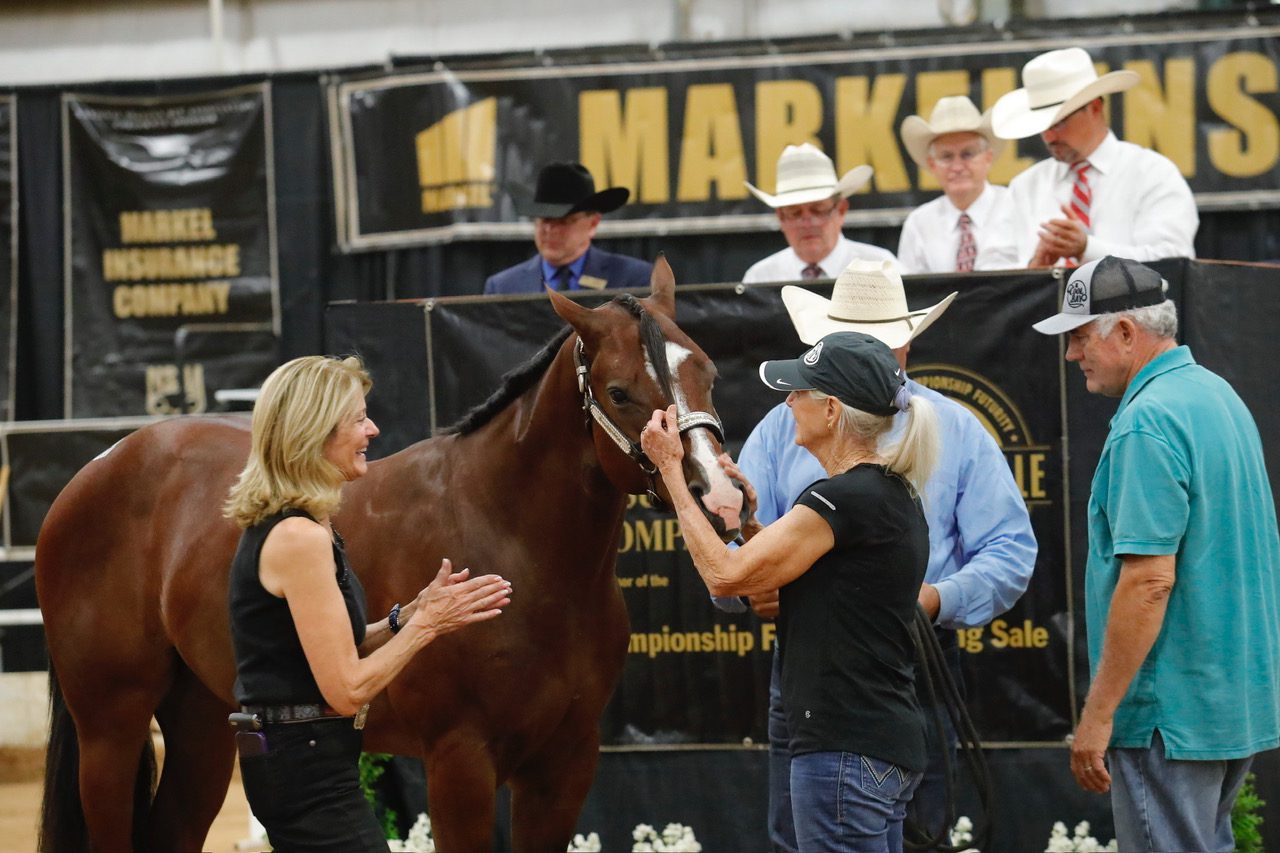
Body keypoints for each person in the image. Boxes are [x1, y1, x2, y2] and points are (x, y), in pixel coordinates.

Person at [719, 258, 1037, 852]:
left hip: (900, 652)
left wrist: (932, 599)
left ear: (903, 348)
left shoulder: (956, 430)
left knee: (879, 828)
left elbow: (1010, 551)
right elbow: (738, 554)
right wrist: (752, 580)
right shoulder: (783, 423)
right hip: (819, 659)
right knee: (814, 831)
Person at [642, 330, 939, 853]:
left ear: (830, 411)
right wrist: (750, 524)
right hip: (873, 742)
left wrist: (670, 471)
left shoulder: (843, 499)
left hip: (844, 749)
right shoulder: (883, 494)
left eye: (800, 391)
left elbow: (725, 577)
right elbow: (782, 586)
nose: (787, 401)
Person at [1032, 256, 1280, 852]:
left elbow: (1148, 583)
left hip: (1167, 713)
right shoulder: (1214, 393)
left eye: (1078, 337)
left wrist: (1100, 714)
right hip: (1226, 703)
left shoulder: (1148, 420)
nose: (1071, 355)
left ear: (1124, 331)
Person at [224, 355, 513, 851]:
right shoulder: (297, 537)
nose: (373, 430)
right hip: (302, 773)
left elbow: (344, 645)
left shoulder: (311, 524)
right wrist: (429, 628)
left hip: (307, 763)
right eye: (358, 419)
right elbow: (348, 690)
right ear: (314, 432)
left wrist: (410, 616)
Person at [992, 47, 1198, 267]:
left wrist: (1087, 249)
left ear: (1095, 108)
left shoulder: (1153, 174)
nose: (1049, 137)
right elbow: (997, 278)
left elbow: (1173, 262)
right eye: (1042, 126)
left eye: (1059, 122)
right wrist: (1035, 271)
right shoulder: (1023, 188)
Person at [483, 161, 652, 294]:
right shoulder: (502, 288)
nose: (549, 230)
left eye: (563, 221)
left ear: (592, 223)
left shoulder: (632, 280)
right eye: (543, 219)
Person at [896, 96, 1018, 274]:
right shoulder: (919, 224)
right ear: (932, 164)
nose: (958, 167)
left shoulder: (1017, 208)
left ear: (988, 158)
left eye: (968, 154)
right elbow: (911, 295)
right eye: (946, 156)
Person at [743, 143, 895, 283]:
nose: (807, 223)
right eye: (795, 213)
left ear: (841, 211)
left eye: (819, 210)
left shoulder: (883, 269)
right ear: (781, 218)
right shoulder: (759, 278)